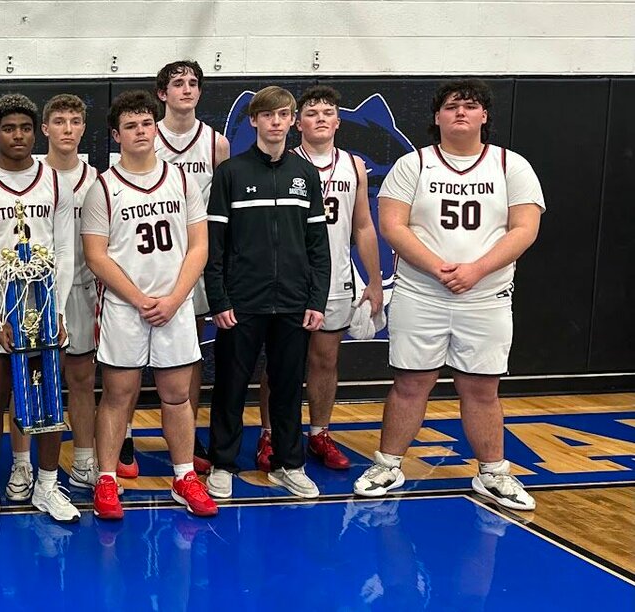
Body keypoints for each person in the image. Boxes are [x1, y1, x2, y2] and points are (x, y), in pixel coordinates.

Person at [354, 79, 545, 511]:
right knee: (410, 383)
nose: (461, 111)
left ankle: (493, 473)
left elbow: (525, 229)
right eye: (452, 106)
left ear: (484, 117)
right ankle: (388, 464)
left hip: (486, 296)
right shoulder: (413, 165)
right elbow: (393, 226)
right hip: (422, 294)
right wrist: (438, 268)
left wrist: (476, 269)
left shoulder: (510, 165)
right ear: (437, 117)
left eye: (471, 106)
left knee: (481, 388)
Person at [82, 90, 218, 520]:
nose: (140, 132)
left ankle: (183, 476)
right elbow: (96, 255)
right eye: (131, 126)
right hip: (126, 308)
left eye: (145, 124)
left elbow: (199, 246)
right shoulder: (103, 187)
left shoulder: (181, 180)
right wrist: (141, 299)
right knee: (119, 394)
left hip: (174, 305)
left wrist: (176, 298)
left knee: (177, 396)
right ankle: (107, 479)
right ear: (115, 135)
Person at [203, 85, 330, 500]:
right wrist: (220, 299)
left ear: (292, 122)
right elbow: (215, 244)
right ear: (254, 121)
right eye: (268, 115)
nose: (276, 122)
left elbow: (318, 246)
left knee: (289, 387)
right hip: (241, 303)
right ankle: (223, 465)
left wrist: (316, 299)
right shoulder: (231, 173)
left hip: (294, 303)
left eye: (283, 115)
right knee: (231, 387)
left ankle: (288, 465)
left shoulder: (305, 174)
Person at [0, 93, 80, 524]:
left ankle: (47, 486)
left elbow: (65, 252)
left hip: (46, 309)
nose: (18, 135)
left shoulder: (54, 183)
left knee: (50, 395)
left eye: (26, 128)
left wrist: (58, 310)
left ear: (36, 132)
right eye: (9, 128)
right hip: (0, 313)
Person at [255, 86, 385, 473]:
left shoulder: (354, 166)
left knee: (326, 358)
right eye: (312, 113)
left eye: (329, 112)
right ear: (298, 123)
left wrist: (374, 281)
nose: (322, 118)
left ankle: (319, 432)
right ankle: (270, 434)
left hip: (336, 276)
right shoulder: (284, 160)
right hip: (290, 278)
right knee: (280, 362)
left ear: (339, 121)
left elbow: (363, 225)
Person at [119, 60, 232, 478]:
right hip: (147, 261)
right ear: (162, 93)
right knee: (127, 358)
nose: (186, 89)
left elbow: (219, 209)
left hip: (193, 258)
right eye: (177, 83)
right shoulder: (146, 133)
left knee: (191, 346)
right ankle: (125, 433)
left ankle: (189, 430)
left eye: (193, 83)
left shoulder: (216, 143)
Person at [40, 93, 101, 490]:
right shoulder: (29, 175)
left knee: (81, 378)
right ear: (45, 129)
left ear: (82, 128)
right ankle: (25, 463)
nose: (67, 128)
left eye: (74, 121)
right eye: (59, 121)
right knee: (30, 380)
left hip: (81, 287)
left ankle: (83, 461)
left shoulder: (97, 180)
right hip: (35, 293)